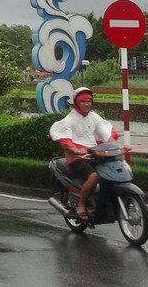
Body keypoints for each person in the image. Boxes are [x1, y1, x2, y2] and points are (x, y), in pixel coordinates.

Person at [49, 86, 120, 221]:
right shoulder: (70, 119)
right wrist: (75, 149)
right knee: (93, 177)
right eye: (83, 101)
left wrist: (117, 146)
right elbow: (63, 138)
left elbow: (105, 133)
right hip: (76, 158)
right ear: (77, 103)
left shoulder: (94, 117)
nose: (86, 104)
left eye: (89, 101)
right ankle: (81, 205)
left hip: (94, 155)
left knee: (111, 172)